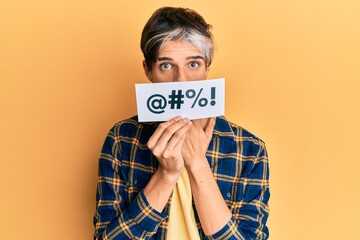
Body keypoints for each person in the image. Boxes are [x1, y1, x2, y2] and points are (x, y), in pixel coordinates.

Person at [93, 7, 270, 240]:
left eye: (193, 64)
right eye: (166, 65)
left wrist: (197, 163)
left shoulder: (249, 150)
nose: (181, 80)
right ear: (148, 70)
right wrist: (166, 175)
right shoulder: (122, 139)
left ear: (207, 67)